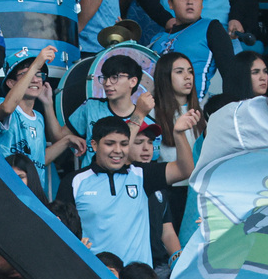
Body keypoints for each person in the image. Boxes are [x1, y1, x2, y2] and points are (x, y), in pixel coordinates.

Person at [69, 115, 199, 268]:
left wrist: (179, 134)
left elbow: (185, 170)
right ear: (94, 145)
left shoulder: (141, 174)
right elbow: (62, 229)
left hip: (139, 277)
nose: (118, 150)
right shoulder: (75, 181)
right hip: (94, 274)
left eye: (124, 144)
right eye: (110, 144)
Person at [0, 50, 80, 180]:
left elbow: (39, 160)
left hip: (34, 191)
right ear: (11, 83)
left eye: (39, 74)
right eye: (26, 74)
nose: (35, 80)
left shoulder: (39, 118)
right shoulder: (0, 104)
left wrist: (67, 141)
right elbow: (7, 108)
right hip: (5, 188)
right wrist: (35, 65)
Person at [66, 54, 148, 165]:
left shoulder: (145, 119)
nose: (107, 83)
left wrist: (139, 114)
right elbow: (60, 137)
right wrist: (48, 104)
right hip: (89, 174)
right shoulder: (91, 106)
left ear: (132, 81)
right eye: (105, 77)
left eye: (114, 77)